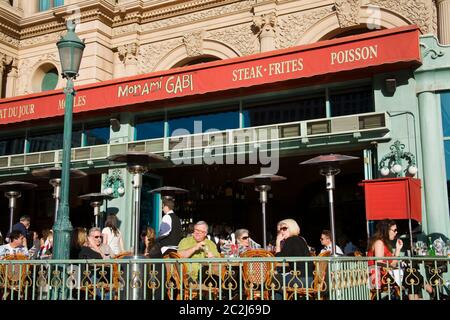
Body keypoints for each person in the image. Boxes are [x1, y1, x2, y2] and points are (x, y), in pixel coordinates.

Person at [274, 218, 313, 299]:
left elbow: (278, 259)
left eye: (284, 228)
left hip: (300, 280)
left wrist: (278, 242)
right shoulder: (300, 239)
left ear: (292, 228)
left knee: (273, 280)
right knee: (278, 282)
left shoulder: (290, 240)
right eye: (280, 229)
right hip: (309, 279)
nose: (281, 231)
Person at [367, 219, 404, 297]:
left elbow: (392, 264)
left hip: (386, 275)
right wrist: (392, 267)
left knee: (413, 277)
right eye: (394, 230)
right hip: (378, 278)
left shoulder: (384, 243)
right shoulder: (379, 243)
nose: (396, 232)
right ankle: (432, 292)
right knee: (411, 277)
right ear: (387, 230)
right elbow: (379, 263)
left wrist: (397, 249)